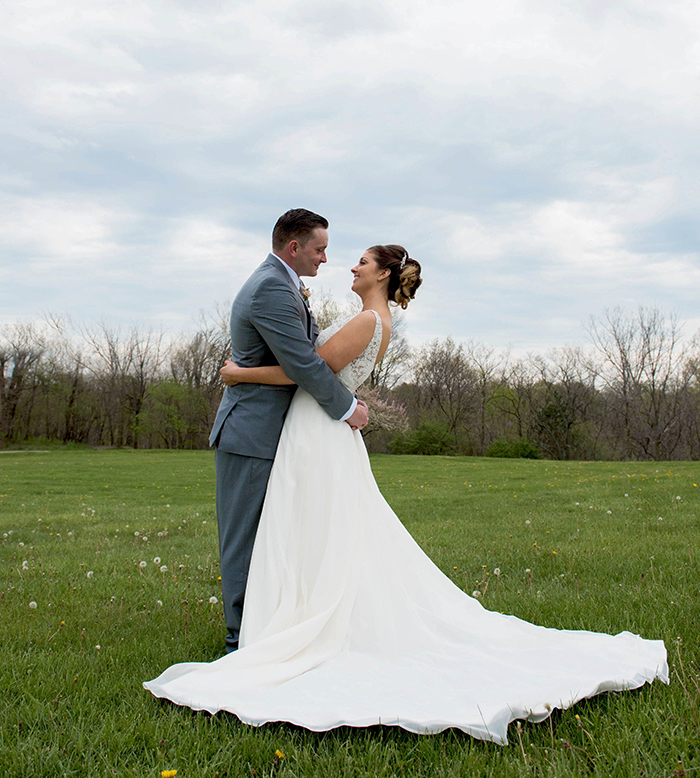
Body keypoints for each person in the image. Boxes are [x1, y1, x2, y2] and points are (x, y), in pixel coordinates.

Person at [145, 244, 668, 744]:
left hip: (317, 434)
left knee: (311, 527)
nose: (351, 266)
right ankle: (290, 613)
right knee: (313, 531)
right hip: (313, 432)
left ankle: (298, 623)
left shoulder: (368, 322)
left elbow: (306, 372)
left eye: (363, 262)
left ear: (382, 275)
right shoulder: (372, 321)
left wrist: (240, 373)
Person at [207, 208, 368, 653]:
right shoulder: (271, 289)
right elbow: (302, 364)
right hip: (251, 432)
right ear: (293, 248)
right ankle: (239, 640)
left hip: (277, 431)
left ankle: (266, 623)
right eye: (320, 250)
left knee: (274, 534)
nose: (325, 259)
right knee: (245, 538)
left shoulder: (284, 283)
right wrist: (347, 407)